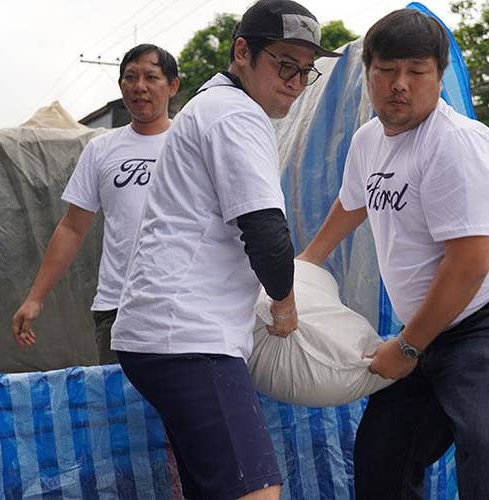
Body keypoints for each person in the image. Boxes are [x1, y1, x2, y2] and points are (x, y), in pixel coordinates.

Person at [297, 9, 489, 499]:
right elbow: (350, 203)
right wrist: (303, 267)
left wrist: (407, 348)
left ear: (439, 77)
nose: (400, 84)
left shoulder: (455, 144)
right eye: (387, 70)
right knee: (383, 456)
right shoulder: (368, 140)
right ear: (368, 73)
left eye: (416, 71)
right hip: (436, 321)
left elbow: (469, 265)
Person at [109, 1, 342, 498]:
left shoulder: (211, 107)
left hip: (164, 334)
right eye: (284, 65)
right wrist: (284, 302)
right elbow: (264, 229)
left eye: (306, 72)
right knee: (255, 491)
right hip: (189, 338)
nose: (295, 84)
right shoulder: (235, 115)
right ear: (242, 51)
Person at [12, 44, 180, 364]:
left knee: (180, 410)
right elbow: (72, 228)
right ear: (121, 87)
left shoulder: (191, 143)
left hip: (180, 304)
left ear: (173, 85)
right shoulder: (101, 149)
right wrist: (35, 298)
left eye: (151, 77)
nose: (139, 86)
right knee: (119, 408)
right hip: (117, 307)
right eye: (130, 77)